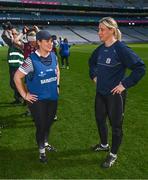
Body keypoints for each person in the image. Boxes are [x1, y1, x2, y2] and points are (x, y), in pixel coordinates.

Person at [89, 17, 145, 168]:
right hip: (100, 94)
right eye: (98, 29)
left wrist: (124, 84)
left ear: (111, 30)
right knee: (100, 120)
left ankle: (112, 155)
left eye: (102, 29)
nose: (98, 32)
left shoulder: (121, 49)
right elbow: (91, 62)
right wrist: (94, 75)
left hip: (115, 96)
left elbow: (140, 68)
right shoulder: (100, 49)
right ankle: (104, 144)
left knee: (116, 126)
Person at [14, 30, 60, 163]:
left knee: (49, 123)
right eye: (46, 41)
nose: (50, 44)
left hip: (52, 98)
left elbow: (57, 70)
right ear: (38, 42)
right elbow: (17, 76)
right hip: (37, 100)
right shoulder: (31, 60)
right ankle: (42, 152)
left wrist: (57, 86)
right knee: (41, 125)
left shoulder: (53, 56)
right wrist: (24, 94)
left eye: (51, 41)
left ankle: (45, 143)